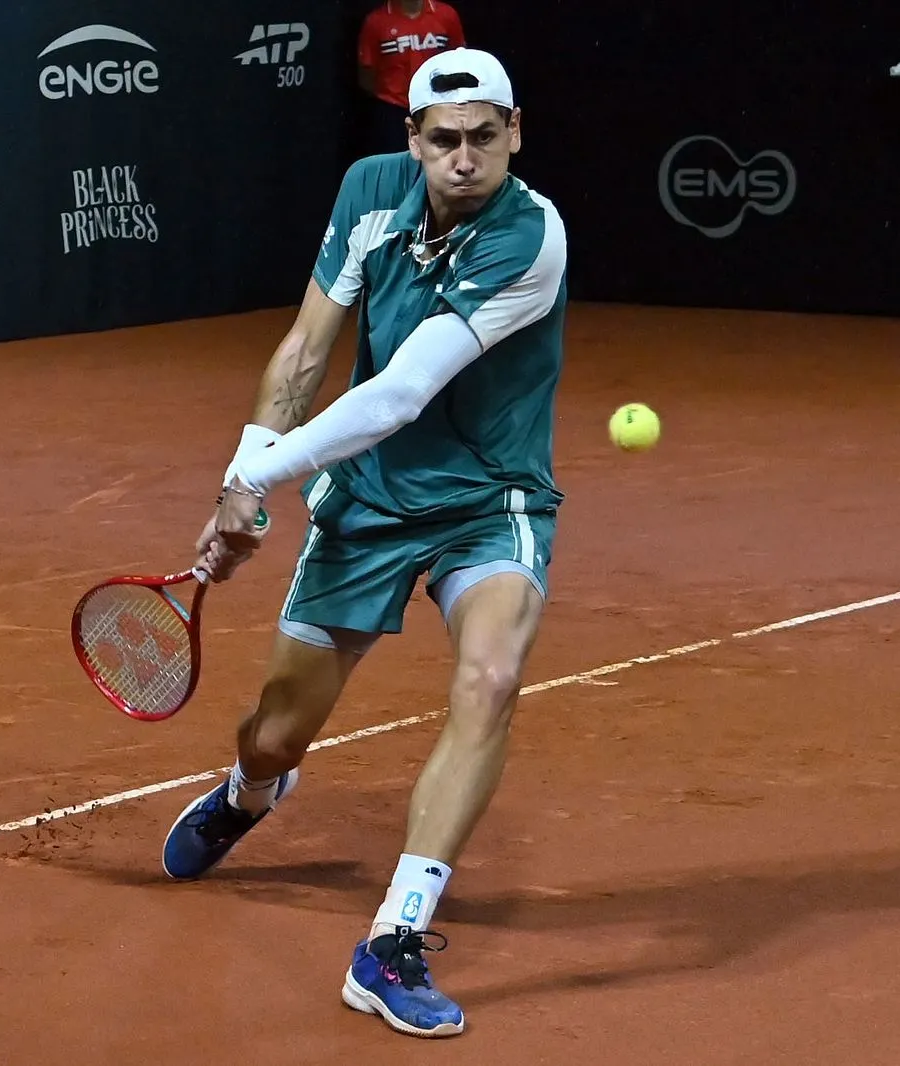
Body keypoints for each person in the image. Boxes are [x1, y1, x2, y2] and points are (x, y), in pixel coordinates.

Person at [161, 47, 567, 1040]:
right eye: (443, 141)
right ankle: (253, 791)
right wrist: (238, 478)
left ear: (515, 133)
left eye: (484, 137)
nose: (464, 158)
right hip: (370, 502)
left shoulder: (530, 237)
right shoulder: (368, 194)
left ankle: (393, 940)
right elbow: (306, 349)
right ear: (412, 142)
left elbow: (395, 394)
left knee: (491, 675)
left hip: (491, 497)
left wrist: (261, 481)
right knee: (274, 729)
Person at [358, 0, 467, 152]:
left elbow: (460, 59)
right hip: (392, 112)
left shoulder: (446, 15)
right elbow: (366, 73)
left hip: (438, 105)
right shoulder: (376, 21)